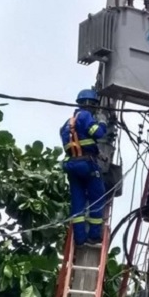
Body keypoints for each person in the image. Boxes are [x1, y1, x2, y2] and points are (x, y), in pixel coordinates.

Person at [60, 89, 107, 246]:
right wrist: (102, 122)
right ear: (90, 104)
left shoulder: (67, 124)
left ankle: (80, 239)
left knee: (78, 202)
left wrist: (98, 153)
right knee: (97, 198)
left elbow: (79, 143)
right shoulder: (86, 116)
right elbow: (98, 133)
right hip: (86, 165)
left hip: (71, 164)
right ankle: (94, 237)